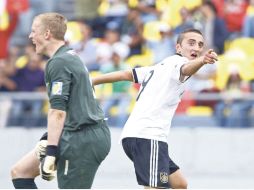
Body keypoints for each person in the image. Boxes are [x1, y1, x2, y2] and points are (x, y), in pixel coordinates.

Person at [92, 28, 218, 188]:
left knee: (179, 184)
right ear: (178, 47)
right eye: (191, 43)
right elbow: (185, 69)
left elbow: (125, 74)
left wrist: (93, 80)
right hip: (148, 136)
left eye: (200, 45)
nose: (196, 48)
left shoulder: (158, 67)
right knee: (156, 187)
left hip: (140, 136)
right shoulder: (179, 63)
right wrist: (202, 61)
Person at [10, 12, 111, 189]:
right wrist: (49, 138)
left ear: (47, 34)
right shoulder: (69, 56)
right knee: (21, 172)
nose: (30, 36)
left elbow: (57, 111)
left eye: (34, 31)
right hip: (78, 130)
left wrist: (51, 151)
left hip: (82, 136)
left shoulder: (58, 62)